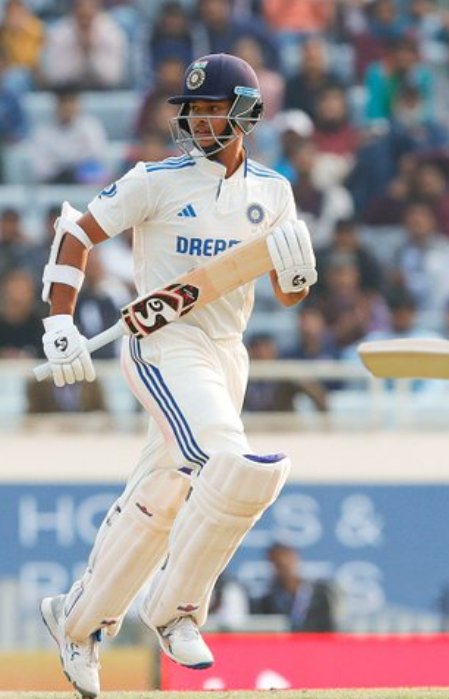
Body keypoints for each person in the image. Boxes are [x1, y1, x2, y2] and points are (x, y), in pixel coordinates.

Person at [37, 53, 318, 699]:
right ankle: (177, 610)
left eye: (214, 108)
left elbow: (286, 289)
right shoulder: (155, 180)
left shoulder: (273, 191)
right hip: (162, 343)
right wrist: (59, 323)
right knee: (234, 466)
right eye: (193, 110)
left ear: (246, 114)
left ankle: (76, 620)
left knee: (163, 495)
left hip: (226, 353)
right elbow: (77, 233)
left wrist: (298, 279)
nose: (198, 120)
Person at [251, 542, 337, 632]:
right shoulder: (266, 600)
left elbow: (329, 627)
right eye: (279, 564)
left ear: (296, 558)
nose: (285, 567)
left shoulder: (319, 595)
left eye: (288, 560)